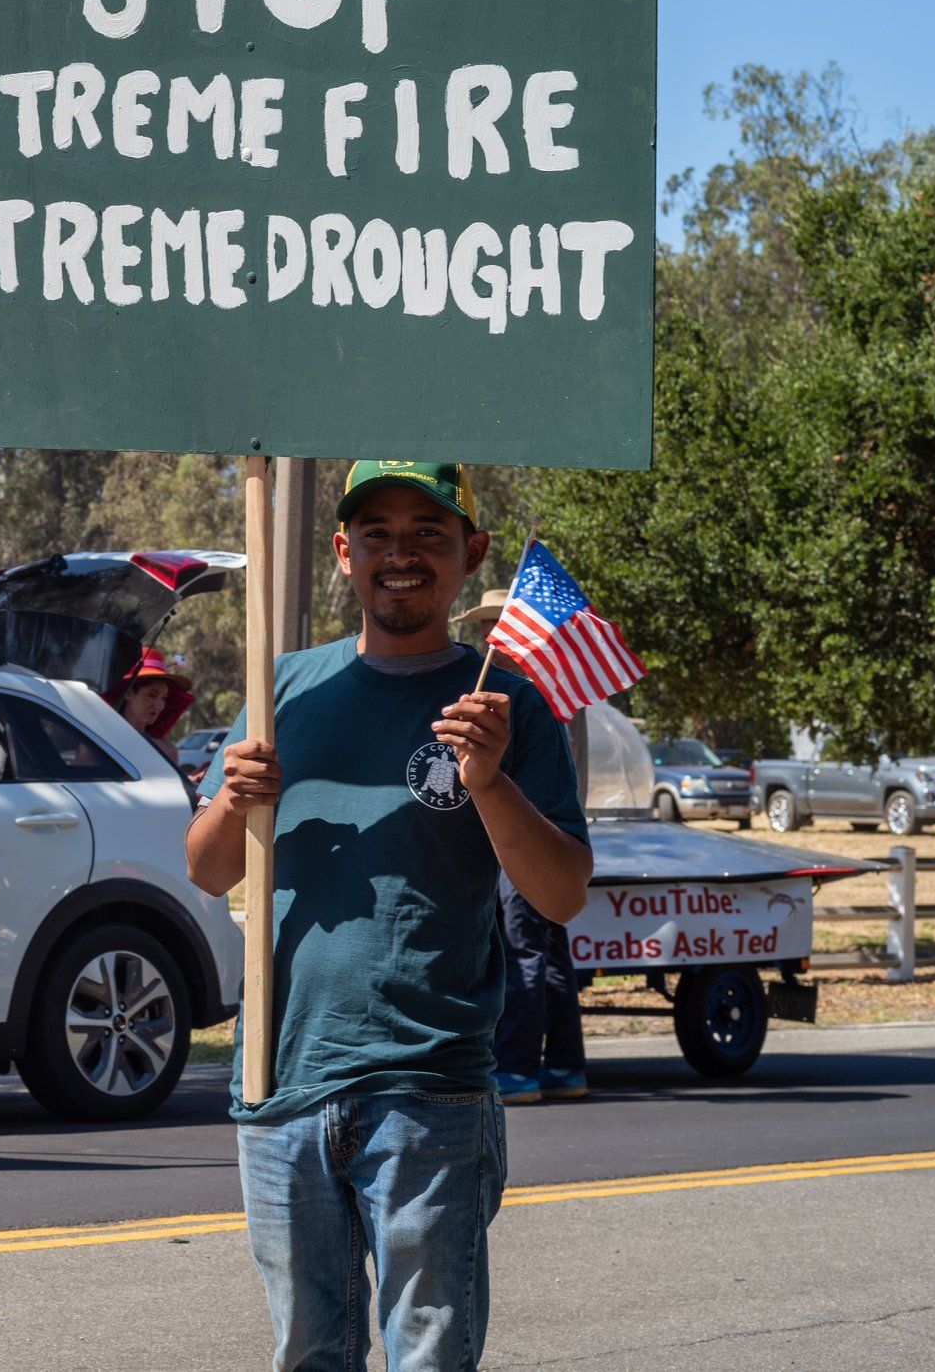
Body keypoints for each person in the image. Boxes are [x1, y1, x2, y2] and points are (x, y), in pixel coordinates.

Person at [185, 461, 592, 1372]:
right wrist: (230, 802)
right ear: (343, 552)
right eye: (378, 532)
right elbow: (208, 867)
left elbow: (561, 891)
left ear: (469, 553)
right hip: (280, 1084)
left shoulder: (508, 704)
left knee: (429, 1356)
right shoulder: (284, 685)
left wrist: (488, 782)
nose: (400, 553)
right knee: (308, 1354)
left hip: (430, 1091)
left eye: (428, 533)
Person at [452, 591, 591, 1106]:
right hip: (551, 834)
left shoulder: (530, 698)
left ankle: (517, 1066)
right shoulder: (554, 694)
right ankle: (564, 1065)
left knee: (522, 948)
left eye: (498, 627)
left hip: (527, 836)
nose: (492, 639)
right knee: (550, 952)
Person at [107, 646, 195, 772]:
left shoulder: (167, 751)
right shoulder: (98, 742)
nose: (159, 706)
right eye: (152, 695)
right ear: (129, 693)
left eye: (164, 698)